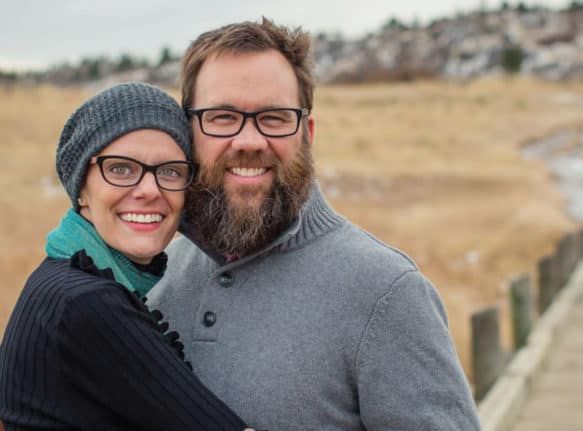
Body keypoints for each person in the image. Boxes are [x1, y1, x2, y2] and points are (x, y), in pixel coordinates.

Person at [146, 18, 481, 430]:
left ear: (307, 132)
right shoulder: (157, 274)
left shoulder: (387, 293)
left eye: (273, 118)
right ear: (188, 132)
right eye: (221, 117)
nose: (249, 141)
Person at [0, 83, 254, 430]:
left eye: (170, 171)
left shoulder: (61, 277)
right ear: (82, 191)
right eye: (120, 169)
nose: (149, 190)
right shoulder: (86, 304)